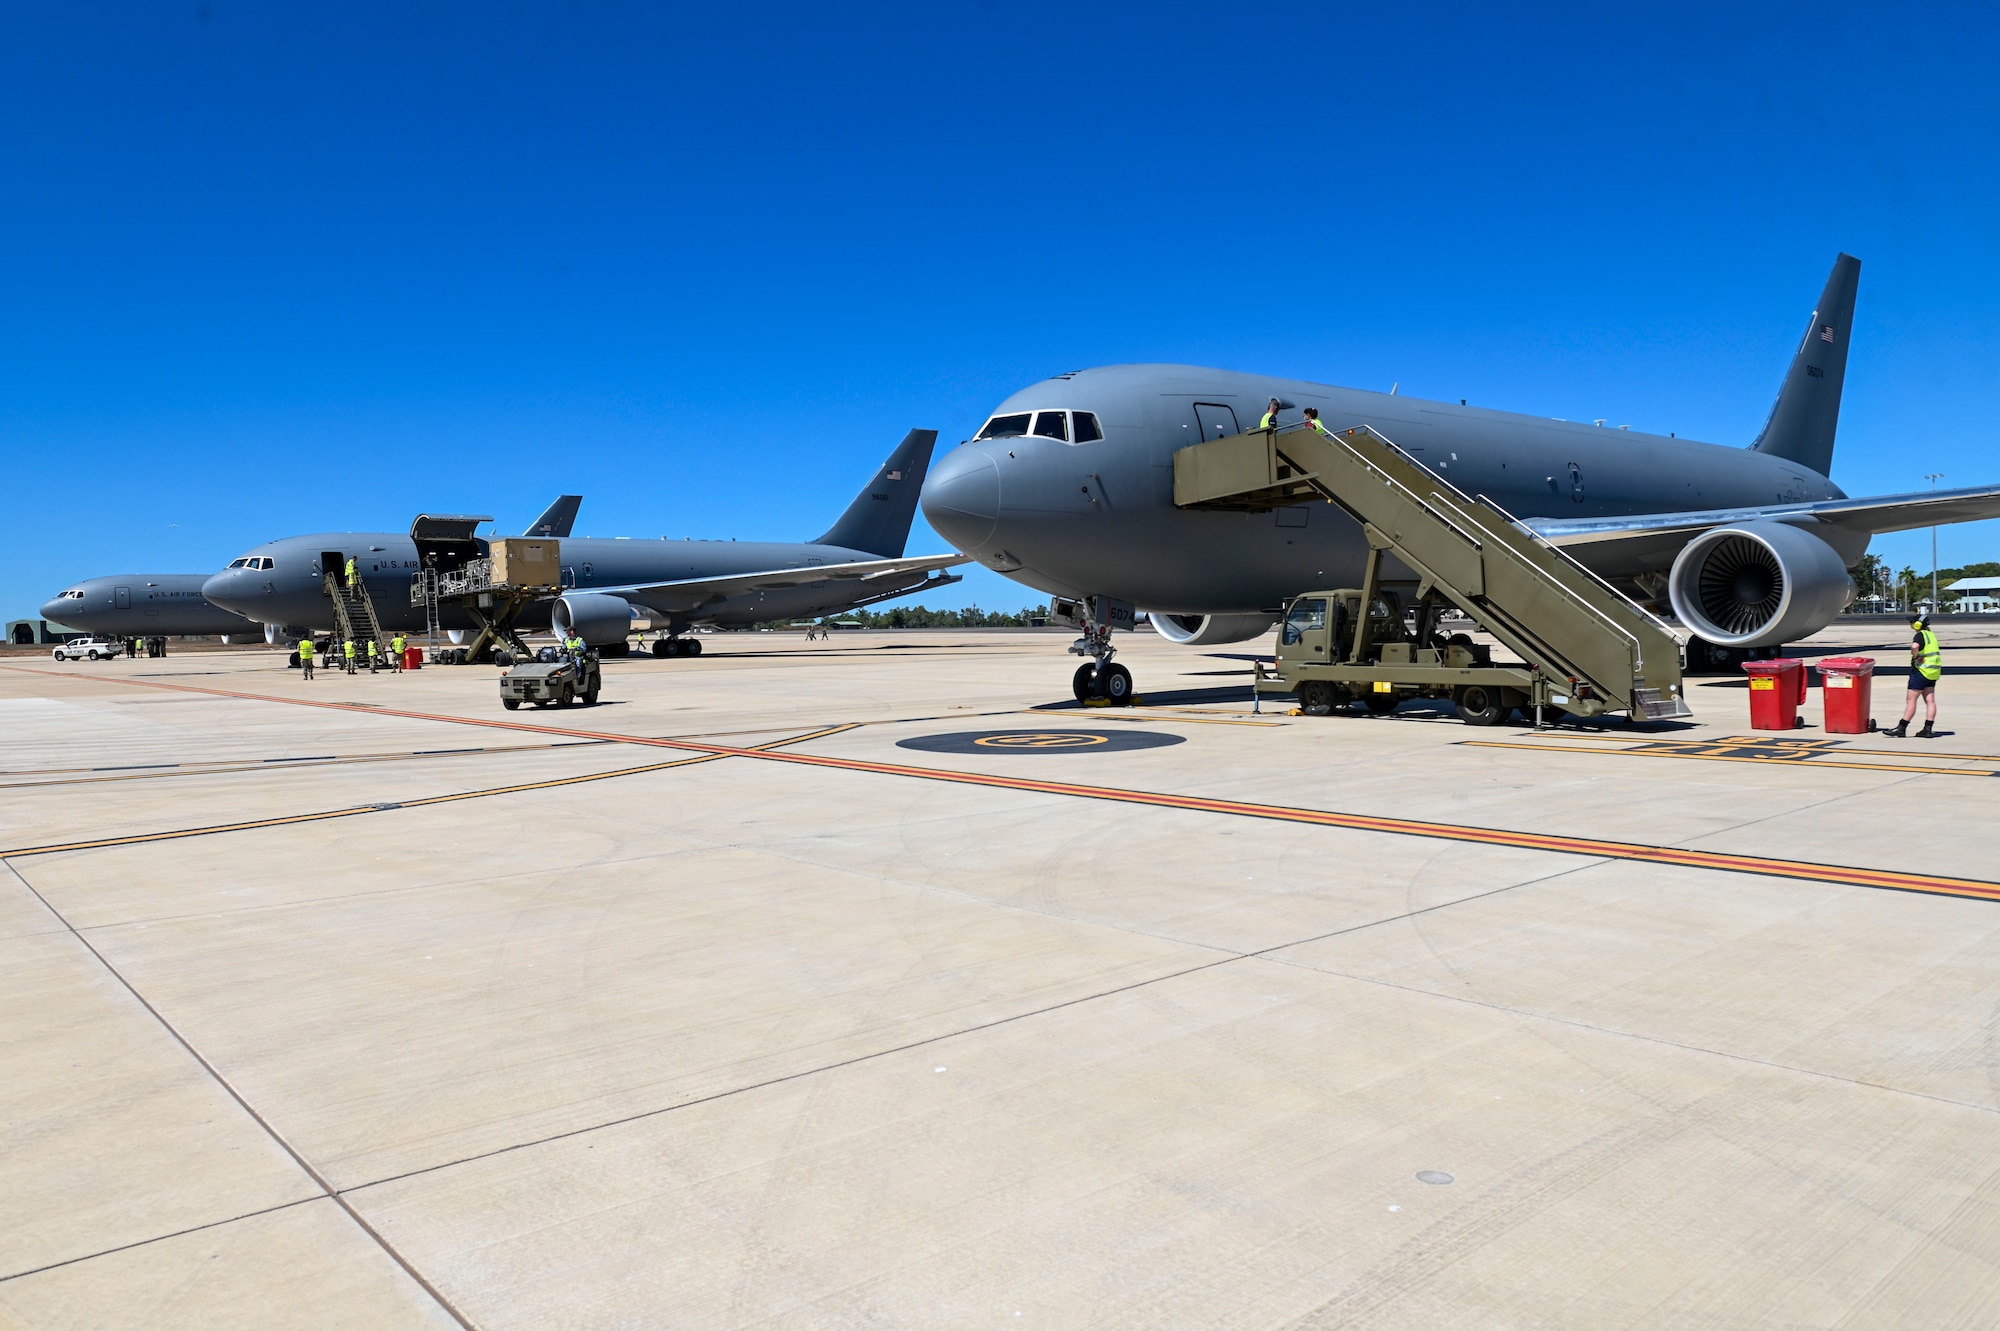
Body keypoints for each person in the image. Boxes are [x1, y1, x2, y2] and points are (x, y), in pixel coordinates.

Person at [1885, 613, 1942, 738]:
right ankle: (1928, 729)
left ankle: (1902, 727)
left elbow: (1915, 646)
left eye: (1912, 622)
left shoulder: (1920, 635)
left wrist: (1915, 656)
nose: (1910, 624)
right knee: (1930, 700)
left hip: (1921, 671)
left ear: (1917, 624)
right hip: (1933, 672)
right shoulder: (1931, 635)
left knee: (1911, 700)